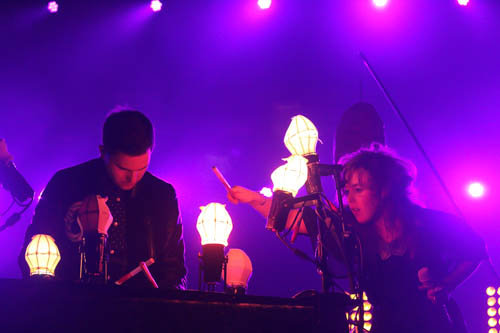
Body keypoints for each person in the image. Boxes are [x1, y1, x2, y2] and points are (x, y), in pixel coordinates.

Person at [228, 145, 486, 332]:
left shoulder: (428, 222)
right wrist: (254, 199)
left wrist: (447, 284)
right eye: (347, 190)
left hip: (435, 326)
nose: (349, 198)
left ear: (384, 190)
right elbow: (293, 218)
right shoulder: (348, 228)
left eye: (359, 190)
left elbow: (476, 249)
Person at [18, 109, 187, 289]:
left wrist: (165, 305)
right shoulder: (66, 184)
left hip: (142, 310)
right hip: (72, 306)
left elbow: (174, 269)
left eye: (142, 168)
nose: (133, 177)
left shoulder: (162, 195)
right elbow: (34, 252)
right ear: (102, 152)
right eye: (122, 168)